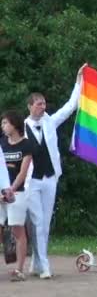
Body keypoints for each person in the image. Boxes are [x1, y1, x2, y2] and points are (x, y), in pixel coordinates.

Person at [25, 66, 83, 279]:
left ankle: (37, 261)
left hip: (50, 178)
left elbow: (71, 106)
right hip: (31, 181)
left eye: (44, 103)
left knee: (45, 221)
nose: (43, 106)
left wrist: (78, 81)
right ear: (30, 106)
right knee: (37, 221)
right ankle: (45, 265)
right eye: (39, 103)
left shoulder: (50, 121)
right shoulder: (22, 128)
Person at [0, 111, 34, 281]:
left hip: (17, 193)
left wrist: (10, 190)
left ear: (14, 124)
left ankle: (19, 270)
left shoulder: (26, 145)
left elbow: (23, 171)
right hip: (0, 194)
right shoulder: (1, 144)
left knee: (17, 230)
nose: (3, 126)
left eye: (5, 122)